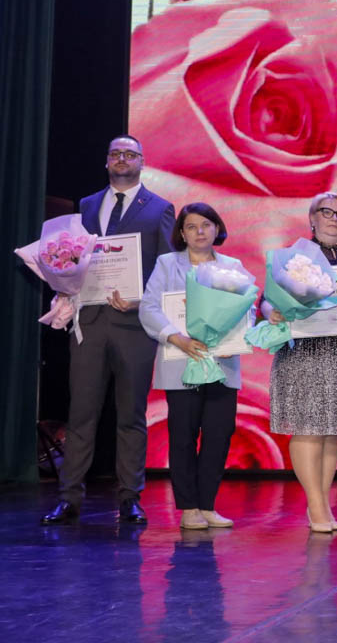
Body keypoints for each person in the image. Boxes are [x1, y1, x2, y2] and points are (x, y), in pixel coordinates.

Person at [42, 135, 175, 525]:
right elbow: (71, 256)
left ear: (142, 162)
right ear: (106, 161)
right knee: (81, 413)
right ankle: (69, 497)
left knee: (131, 415)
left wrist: (140, 300)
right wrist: (65, 282)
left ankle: (130, 496)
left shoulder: (161, 208)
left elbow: (167, 268)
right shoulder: (85, 205)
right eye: (116, 153)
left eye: (130, 154)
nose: (122, 159)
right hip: (89, 323)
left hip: (134, 326)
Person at [263, 192, 337, 533]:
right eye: (327, 212)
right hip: (305, 350)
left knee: (332, 432)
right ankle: (316, 506)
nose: (334, 219)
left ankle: (322, 504)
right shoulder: (294, 255)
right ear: (312, 218)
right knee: (308, 429)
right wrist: (273, 313)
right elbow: (266, 301)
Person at [138, 203, 248, 530]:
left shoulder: (233, 266)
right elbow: (149, 308)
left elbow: (247, 310)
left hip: (222, 364)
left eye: (206, 225)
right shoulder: (167, 264)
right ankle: (188, 508)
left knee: (219, 435)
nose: (200, 231)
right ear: (182, 234)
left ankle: (207, 505)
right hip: (180, 362)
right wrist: (177, 338)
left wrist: (236, 337)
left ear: (217, 228)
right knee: (183, 437)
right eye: (191, 226)